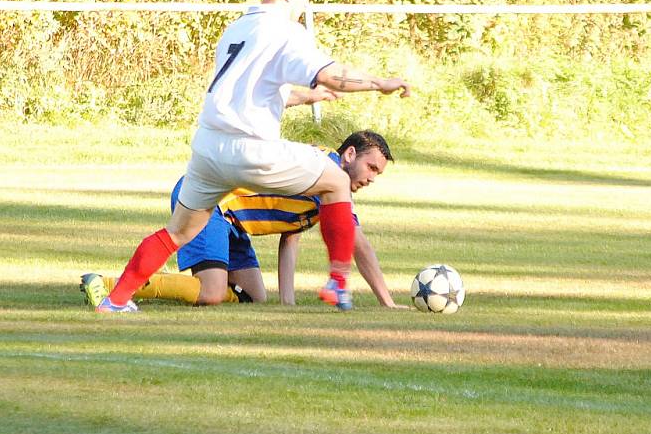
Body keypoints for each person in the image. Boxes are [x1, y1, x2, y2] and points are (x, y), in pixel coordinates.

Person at [94, 0, 410, 313]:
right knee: (337, 179)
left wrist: (306, 96)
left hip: (209, 150)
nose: (306, 5)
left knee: (178, 233)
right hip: (251, 150)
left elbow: (250, 90)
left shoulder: (238, 28)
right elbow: (331, 74)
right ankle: (338, 283)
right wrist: (379, 83)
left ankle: (115, 299)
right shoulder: (285, 31)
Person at [80, 131, 407, 308]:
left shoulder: (325, 185)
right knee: (211, 292)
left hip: (234, 222)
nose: (372, 177)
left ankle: (125, 287)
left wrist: (287, 303)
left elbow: (289, 238)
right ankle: (110, 286)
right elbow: (358, 246)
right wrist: (387, 302)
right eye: (372, 168)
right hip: (213, 203)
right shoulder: (329, 174)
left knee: (252, 294)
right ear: (349, 154)